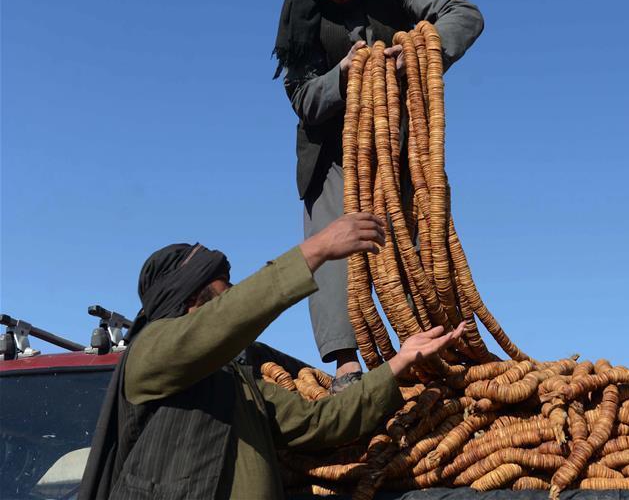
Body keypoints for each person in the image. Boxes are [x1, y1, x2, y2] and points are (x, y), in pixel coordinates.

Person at [79, 212, 465, 500]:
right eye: (221, 286)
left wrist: (400, 363)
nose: (231, 292)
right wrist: (315, 250)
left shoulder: (237, 383)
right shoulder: (149, 356)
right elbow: (226, 320)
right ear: (192, 299)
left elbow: (320, 422)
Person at [272, 0, 484, 389]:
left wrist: (414, 53)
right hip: (331, 156)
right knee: (332, 248)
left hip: (400, 152)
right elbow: (302, 97)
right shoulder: (301, 15)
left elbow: (464, 14)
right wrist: (345, 74)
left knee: (418, 248)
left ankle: (430, 353)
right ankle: (348, 367)